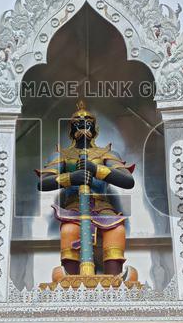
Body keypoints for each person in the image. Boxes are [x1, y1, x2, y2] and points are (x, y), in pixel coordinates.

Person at [36, 100, 135, 276]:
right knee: (69, 230)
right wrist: (71, 178)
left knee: (117, 230)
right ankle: (71, 280)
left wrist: (96, 169)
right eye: (78, 124)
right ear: (71, 130)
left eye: (87, 123)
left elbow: (128, 181)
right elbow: (43, 183)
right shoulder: (63, 155)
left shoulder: (106, 154)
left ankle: (114, 280)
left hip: (103, 206)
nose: (83, 126)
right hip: (74, 207)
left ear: (95, 129)